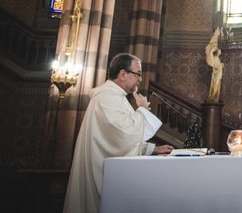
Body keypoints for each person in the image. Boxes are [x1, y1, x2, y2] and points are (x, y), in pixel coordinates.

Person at [63, 53, 174, 213]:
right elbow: (125, 135)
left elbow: (117, 140)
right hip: (103, 176)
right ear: (123, 74)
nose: (141, 79)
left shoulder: (116, 97)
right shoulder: (107, 98)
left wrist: (152, 149)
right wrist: (142, 109)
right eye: (138, 74)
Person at [205, 26, 224, 102]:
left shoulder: (217, 59)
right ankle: (213, 97)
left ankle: (215, 97)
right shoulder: (215, 58)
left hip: (218, 74)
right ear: (217, 52)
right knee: (215, 85)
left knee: (217, 86)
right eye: (219, 51)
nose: (220, 51)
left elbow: (218, 65)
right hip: (216, 74)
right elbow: (214, 66)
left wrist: (221, 66)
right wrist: (213, 48)